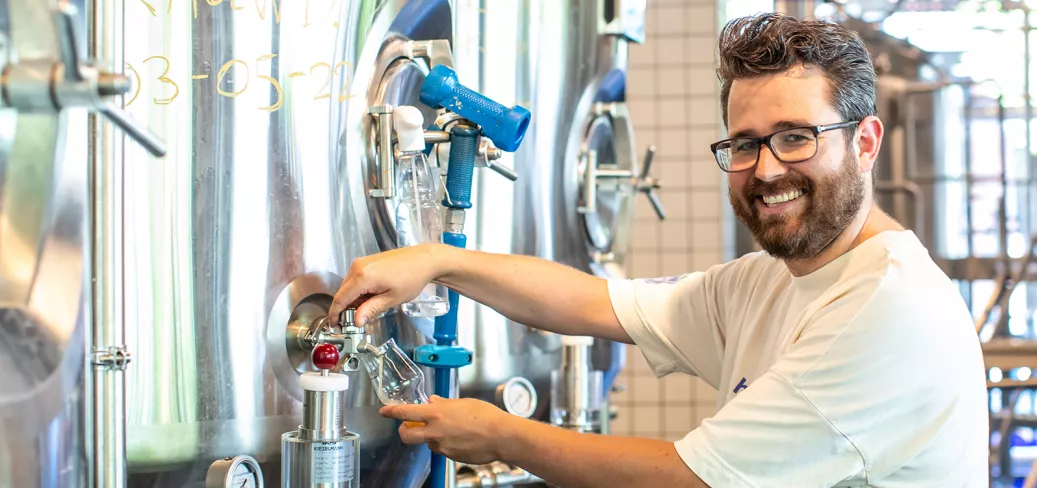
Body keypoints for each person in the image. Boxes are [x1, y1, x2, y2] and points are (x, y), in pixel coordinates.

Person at [329, 12, 988, 488]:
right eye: (746, 143)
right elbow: (597, 303)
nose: (764, 170)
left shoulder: (884, 309)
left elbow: (687, 477)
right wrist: (438, 262)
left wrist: (500, 435)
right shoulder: (769, 279)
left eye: (795, 138)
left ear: (866, 142)